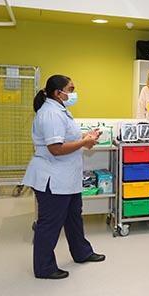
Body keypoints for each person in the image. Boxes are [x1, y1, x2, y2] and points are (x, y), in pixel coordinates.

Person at [23, 75, 106, 280]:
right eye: (70, 89)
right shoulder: (51, 114)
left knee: (73, 218)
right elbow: (55, 149)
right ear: (57, 93)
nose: (73, 93)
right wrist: (84, 143)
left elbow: (66, 137)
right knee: (49, 224)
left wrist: (87, 136)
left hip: (66, 177)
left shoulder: (60, 111)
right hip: (53, 179)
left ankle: (81, 252)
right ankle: (44, 268)